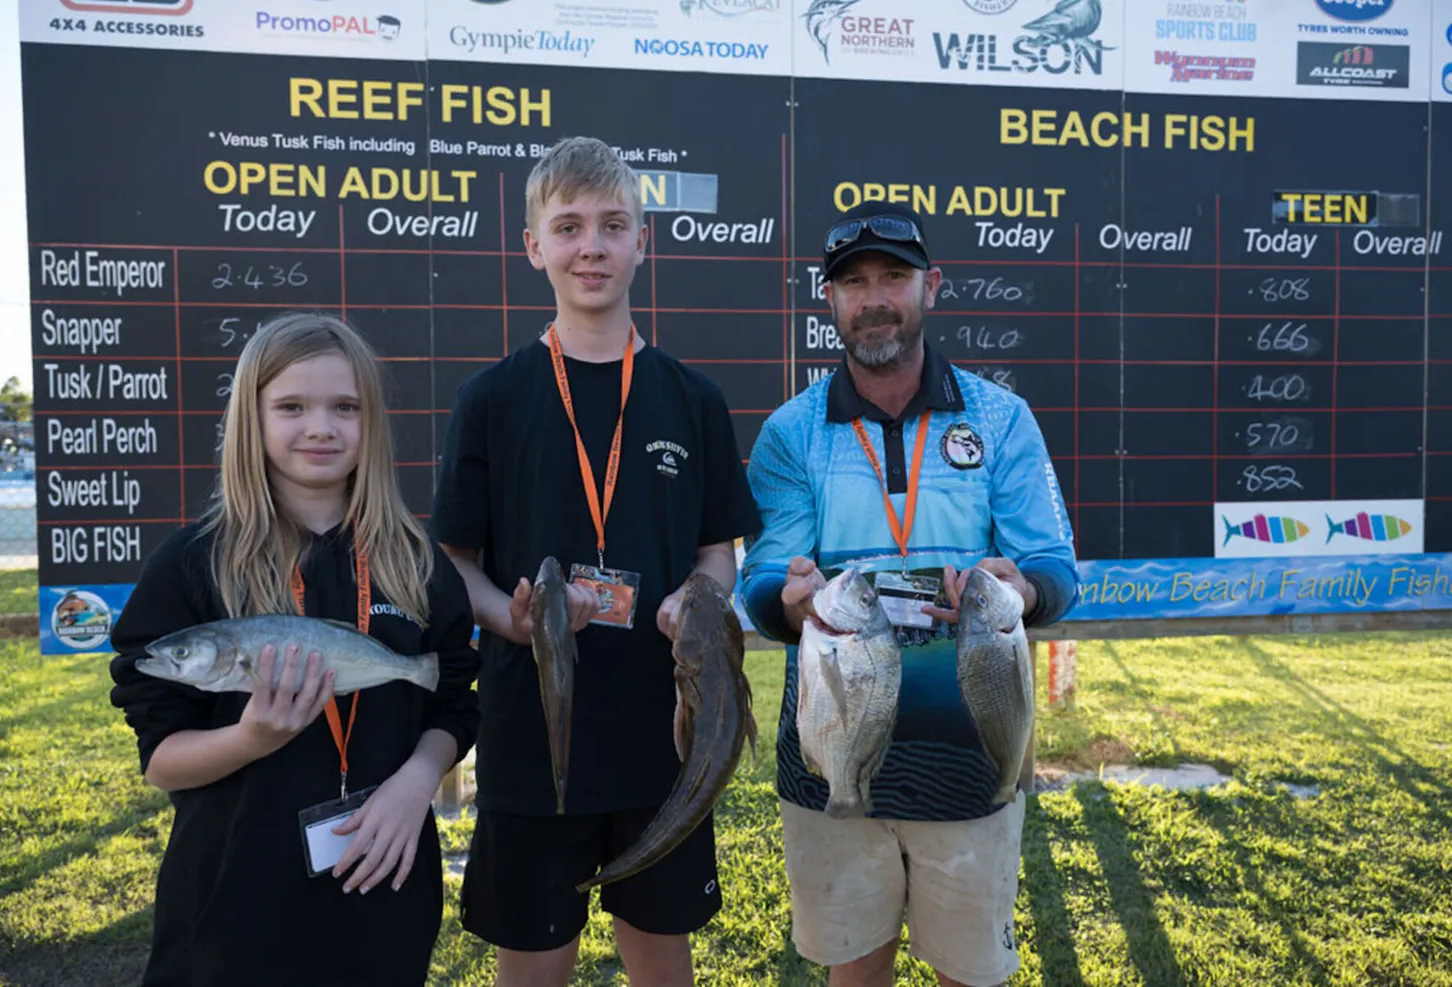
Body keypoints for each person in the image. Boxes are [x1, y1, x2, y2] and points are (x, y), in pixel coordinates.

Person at [430, 135, 762, 986]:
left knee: (661, 957)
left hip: (666, 736)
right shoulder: (492, 399)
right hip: (529, 740)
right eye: (570, 226)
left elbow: (718, 554)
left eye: (614, 225)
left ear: (643, 242)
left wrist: (696, 595)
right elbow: (454, 563)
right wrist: (502, 612)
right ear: (534, 246)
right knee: (534, 962)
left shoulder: (692, 398)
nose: (593, 246)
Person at [739, 200, 1080, 987]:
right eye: (854, 282)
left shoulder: (1002, 418)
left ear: (933, 285)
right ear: (829, 299)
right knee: (855, 973)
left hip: (970, 754)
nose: (875, 296)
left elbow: (1056, 564)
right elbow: (764, 577)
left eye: (894, 275)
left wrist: (1021, 588)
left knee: (971, 974)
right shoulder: (791, 432)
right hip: (831, 758)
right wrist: (788, 600)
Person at [108, 311, 482, 986]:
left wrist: (419, 779)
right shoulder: (193, 564)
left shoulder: (415, 562)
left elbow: (452, 697)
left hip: (384, 883)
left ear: (372, 422)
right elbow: (162, 759)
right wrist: (251, 738)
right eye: (291, 406)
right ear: (251, 418)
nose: (320, 426)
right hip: (234, 901)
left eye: (345, 406)